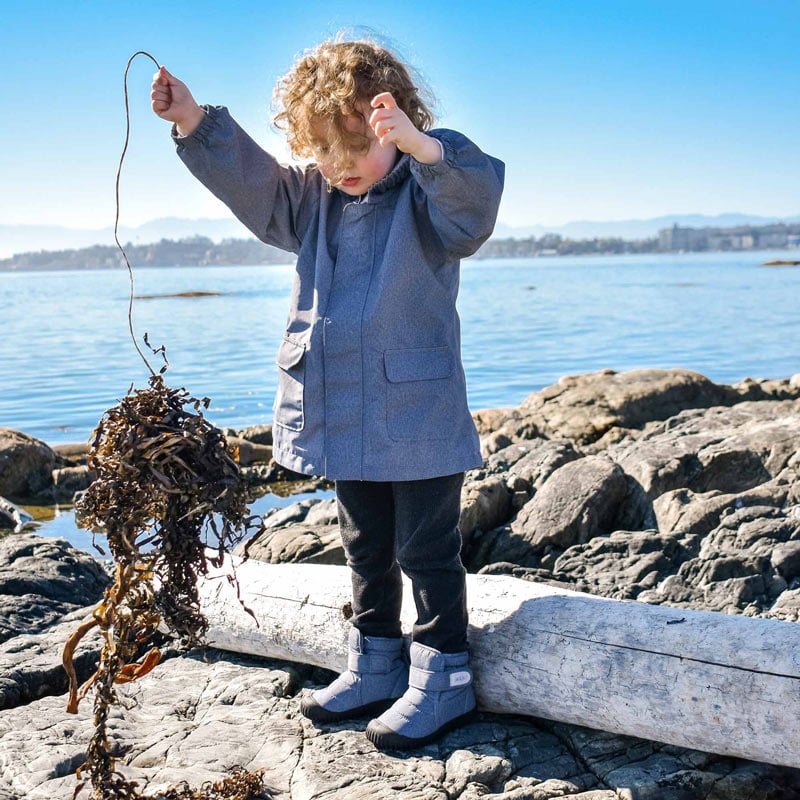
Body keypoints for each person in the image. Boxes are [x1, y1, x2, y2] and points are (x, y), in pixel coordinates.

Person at [151, 36, 504, 750]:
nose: (340, 172)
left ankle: (445, 676)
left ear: (395, 127)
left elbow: (473, 207)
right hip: (341, 409)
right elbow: (254, 183)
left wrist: (426, 148)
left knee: (426, 549)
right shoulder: (310, 200)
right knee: (363, 544)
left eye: (357, 153)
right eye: (325, 157)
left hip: (416, 414)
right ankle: (376, 660)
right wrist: (194, 121)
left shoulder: (428, 194)